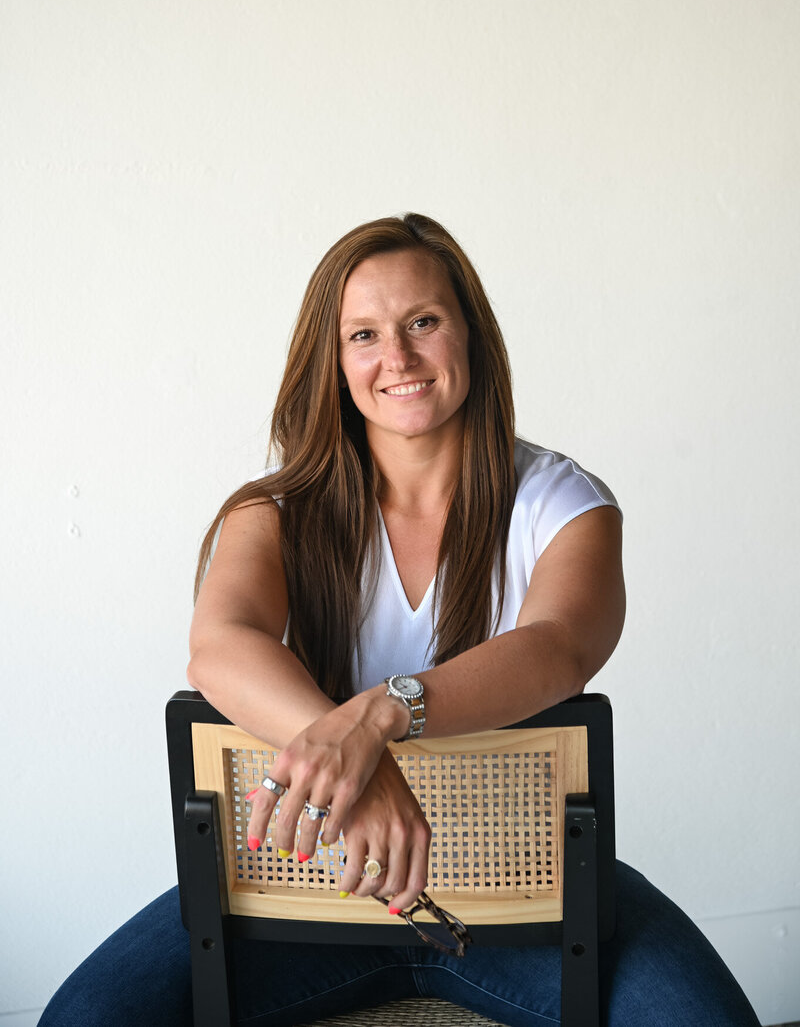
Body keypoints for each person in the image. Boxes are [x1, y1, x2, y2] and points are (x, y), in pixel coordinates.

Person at [40, 214, 759, 1026]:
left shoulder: (564, 505)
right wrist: (359, 762)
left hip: (524, 893)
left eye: (423, 322)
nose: (399, 358)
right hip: (307, 886)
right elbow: (217, 649)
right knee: (85, 1016)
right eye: (365, 335)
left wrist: (382, 716)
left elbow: (560, 649)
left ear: (470, 336)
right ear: (334, 359)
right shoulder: (272, 513)